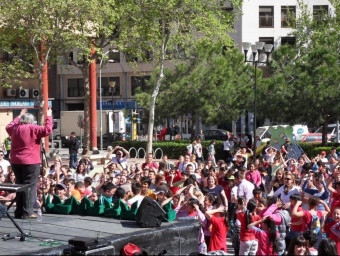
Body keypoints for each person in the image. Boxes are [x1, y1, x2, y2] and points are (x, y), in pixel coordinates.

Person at [6, 107, 52, 219]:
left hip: (16, 161)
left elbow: (8, 126)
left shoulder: (15, 128)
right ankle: (28, 211)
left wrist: (18, 116)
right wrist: (48, 116)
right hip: (30, 161)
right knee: (30, 186)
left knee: (20, 185)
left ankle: (18, 211)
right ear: (31, 121)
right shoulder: (33, 128)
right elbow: (48, 130)